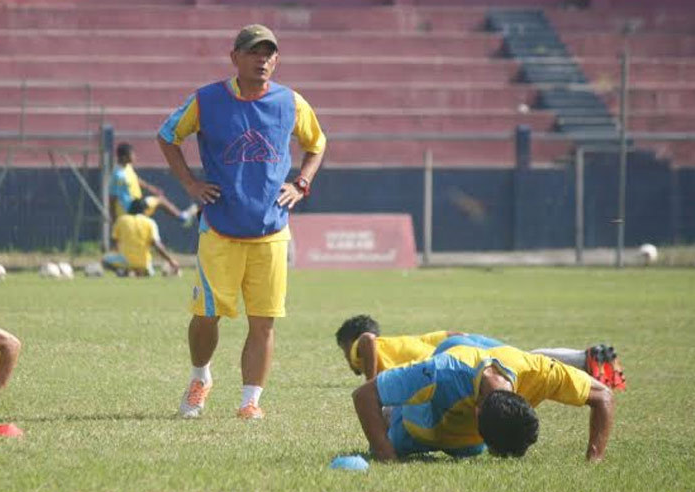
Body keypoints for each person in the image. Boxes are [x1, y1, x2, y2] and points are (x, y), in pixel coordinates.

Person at [157, 24, 326, 419]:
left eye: (269, 53)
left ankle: (251, 402)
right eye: (253, 52)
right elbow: (167, 136)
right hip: (219, 229)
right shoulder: (207, 100)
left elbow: (316, 145)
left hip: (271, 231)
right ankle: (200, 378)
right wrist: (190, 183)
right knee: (205, 316)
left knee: (263, 322)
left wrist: (301, 184)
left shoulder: (292, 103)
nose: (262, 60)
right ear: (234, 57)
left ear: (277, 60)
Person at [352, 335, 615, 462]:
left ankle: (576, 358)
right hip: (439, 390)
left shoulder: (537, 373)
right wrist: (387, 456)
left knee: (481, 345)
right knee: (398, 428)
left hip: (479, 349)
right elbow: (364, 395)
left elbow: (603, 395)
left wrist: (595, 458)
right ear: (476, 416)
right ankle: (391, 410)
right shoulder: (441, 372)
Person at [335, 314, 627, 390]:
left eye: (343, 350)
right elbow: (454, 334)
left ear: (347, 343)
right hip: (462, 345)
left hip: (446, 362)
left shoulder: (359, 348)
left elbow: (368, 339)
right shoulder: (407, 339)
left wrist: (370, 381)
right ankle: (581, 358)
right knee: (523, 359)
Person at [111, 142, 197, 227]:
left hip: (137, 205)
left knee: (157, 204)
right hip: (131, 209)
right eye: (132, 154)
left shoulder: (127, 167)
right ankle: (182, 217)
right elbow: (112, 197)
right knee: (160, 201)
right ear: (124, 157)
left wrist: (151, 188)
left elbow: (137, 180)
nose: (134, 157)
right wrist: (114, 219)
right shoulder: (118, 175)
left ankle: (182, 217)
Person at [102, 198, 181, 277]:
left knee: (105, 260)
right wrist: (170, 260)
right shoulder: (149, 222)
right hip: (144, 263)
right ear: (144, 210)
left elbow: (114, 242)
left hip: (125, 261)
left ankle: (124, 271)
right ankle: (142, 271)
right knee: (146, 268)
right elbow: (157, 245)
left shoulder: (121, 220)